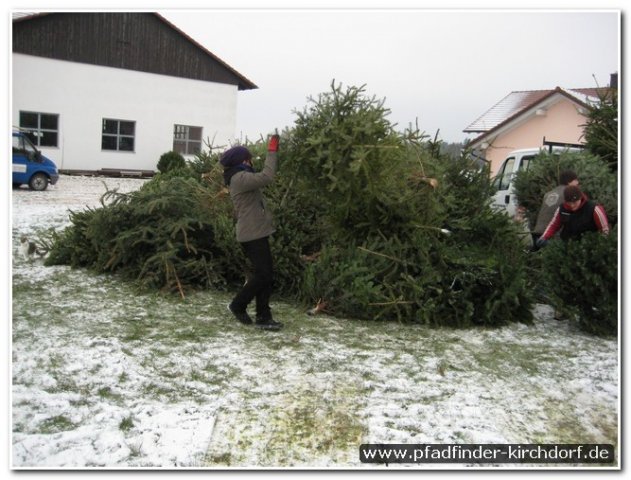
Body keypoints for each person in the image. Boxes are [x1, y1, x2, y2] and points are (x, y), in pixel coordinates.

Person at [220, 135, 282, 331]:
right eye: (248, 159)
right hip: (252, 233)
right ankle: (238, 305)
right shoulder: (240, 178)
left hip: (256, 231)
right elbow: (267, 176)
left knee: (265, 274)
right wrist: (272, 152)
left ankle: (264, 316)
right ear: (241, 161)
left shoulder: (240, 175)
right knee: (263, 275)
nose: (250, 161)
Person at [536, 185, 610, 247]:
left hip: (589, 246)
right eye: (569, 202)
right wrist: (544, 237)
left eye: (574, 202)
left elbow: (605, 229)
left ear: (580, 198)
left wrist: (600, 246)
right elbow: (554, 225)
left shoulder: (594, 209)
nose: (572, 205)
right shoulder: (562, 208)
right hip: (567, 245)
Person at [531, 170, 579, 247]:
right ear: (569, 182)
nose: (578, 183)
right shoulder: (569, 194)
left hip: (537, 234)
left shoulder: (548, 194)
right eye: (576, 180)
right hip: (552, 237)